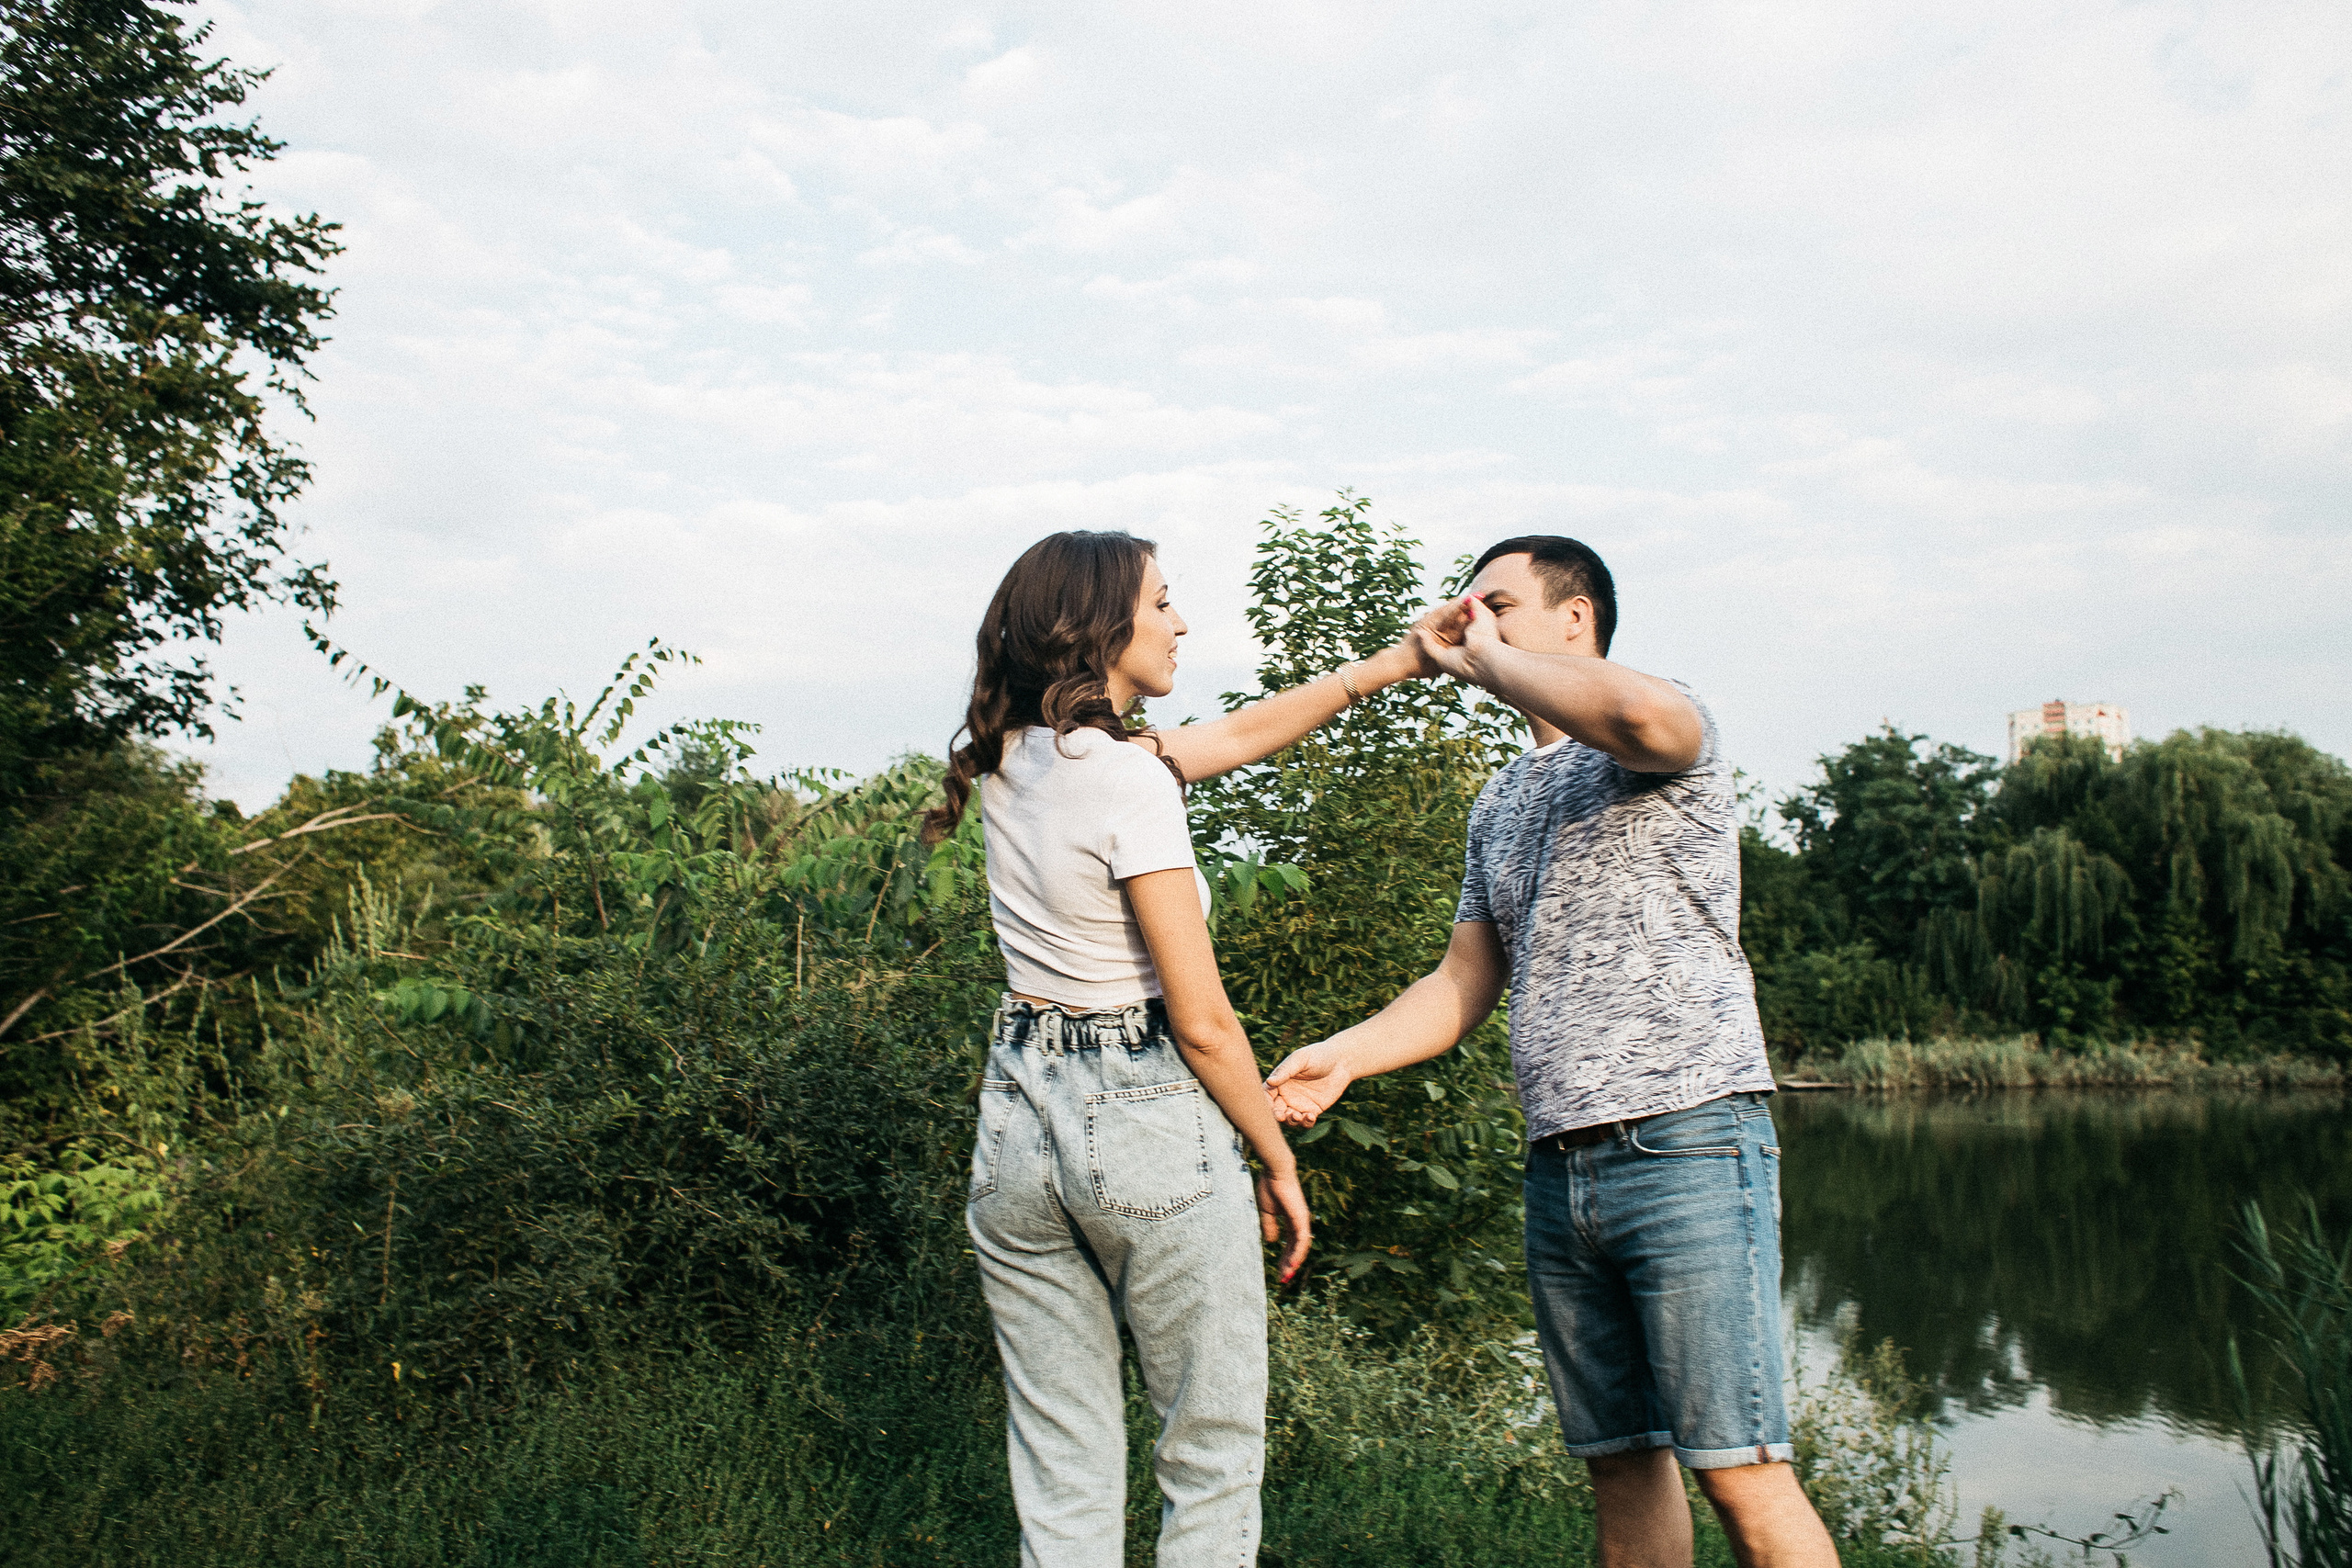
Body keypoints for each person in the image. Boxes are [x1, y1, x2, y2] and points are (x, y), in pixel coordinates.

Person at [1264, 536, 1838, 1568]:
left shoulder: (1660, 724)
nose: (1470, 622)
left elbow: (1641, 718)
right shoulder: (1499, 800)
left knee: (1740, 1469)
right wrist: (1345, 1054)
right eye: (1466, 609)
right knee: (1623, 1468)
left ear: (1576, 619)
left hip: (1688, 1142)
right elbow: (1462, 980)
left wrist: (1484, 657)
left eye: (1496, 603)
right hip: (1560, 1166)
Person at [928, 529, 1430, 1568]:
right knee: (1209, 1454)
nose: (1181, 622)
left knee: (1062, 1464)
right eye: (1162, 603)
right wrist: (1275, 1157)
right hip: (1140, 1117)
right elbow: (1202, 1021)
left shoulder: (1012, 757)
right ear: (1100, 622)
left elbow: (1236, 734)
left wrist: (1388, 665)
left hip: (1016, 1119)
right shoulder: (1126, 781)